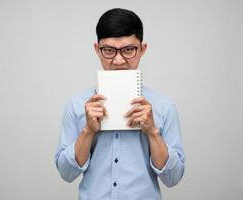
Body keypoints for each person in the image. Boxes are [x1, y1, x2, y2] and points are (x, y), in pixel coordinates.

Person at [54, 8, 185, 200]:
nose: (118, 60)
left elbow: (173, 178)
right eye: (108, 50)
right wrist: (88, 131)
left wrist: (152, 131)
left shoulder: (164, 107)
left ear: (142, 49)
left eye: (129, 50)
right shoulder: (77, 105)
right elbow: (66, 173)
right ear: (97, 50)